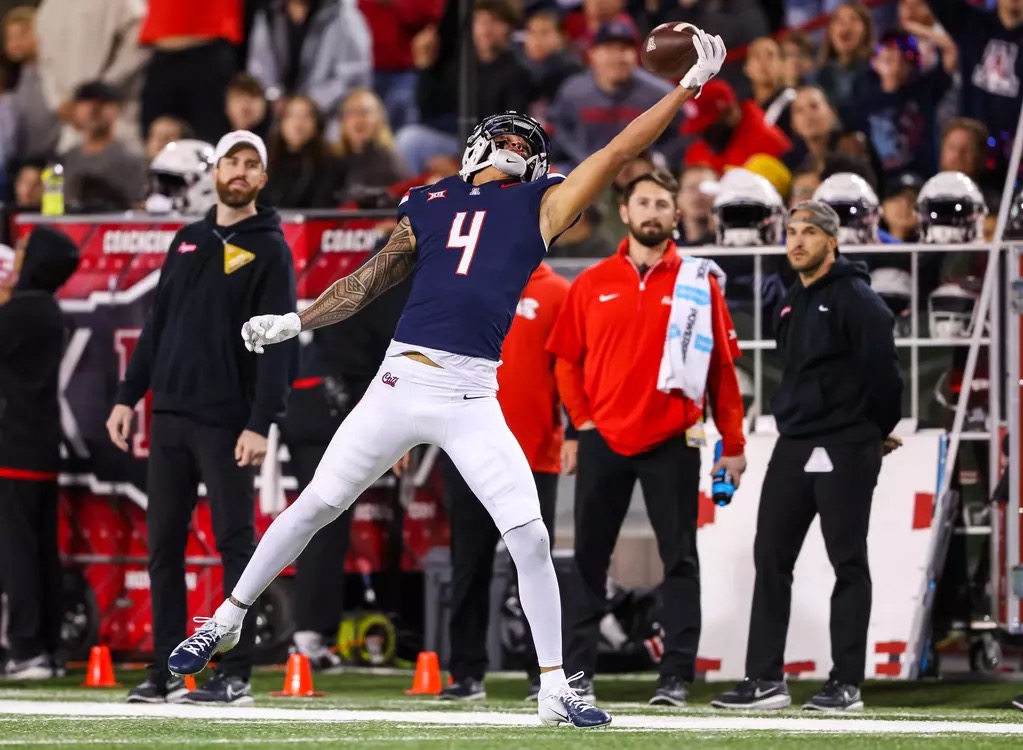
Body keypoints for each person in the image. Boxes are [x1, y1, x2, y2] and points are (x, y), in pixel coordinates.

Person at [165, 26, 729, 728]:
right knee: (314, 506)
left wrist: (684, 88)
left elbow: (619, 150)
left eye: (530, 145)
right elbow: (371, 281)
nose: (522, 150)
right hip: (397, 385)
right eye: (513, 141)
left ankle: (554, 686)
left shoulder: (541, 205)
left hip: (469, 394)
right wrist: (297, 321)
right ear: (481, 146)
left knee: (527, 534)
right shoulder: (428, 201)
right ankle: (225, 620)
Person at [105, 130, 299, 705]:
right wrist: (126, 395)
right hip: (169, 414)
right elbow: (157, 325)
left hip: (226, 418)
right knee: (162, 543)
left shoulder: (271, 247)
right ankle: (166, 668)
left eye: (251, 165)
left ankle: (235, 670)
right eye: (231, 162)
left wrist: (261, 421)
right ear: (214, 171)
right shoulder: (187, 240)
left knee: (235, 541)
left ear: (262, 179)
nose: (239, 172)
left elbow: (282, 344)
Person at [546, 170, 747, 707]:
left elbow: (723, 372)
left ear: (675, 217)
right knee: (588, 558)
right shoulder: (591, 283)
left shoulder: (698, 283)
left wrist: (735, 444)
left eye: (663, 202)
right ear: (626, 214)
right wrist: (581, 422)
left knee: (680, 558)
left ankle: (676, 676)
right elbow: (566, 361)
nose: (653, 211)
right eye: (643, 203)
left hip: (673, 438)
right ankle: (576, 675)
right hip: (603, 438)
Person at [711, 201, 903, 713]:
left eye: (810, 232)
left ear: (832, 241)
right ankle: (766, 680)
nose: (797, 241)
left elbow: (886, 374)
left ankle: (846, 684)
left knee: (847, 561)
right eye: (792, 232)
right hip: (794, 443)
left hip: (844, 445)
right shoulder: (793, 299)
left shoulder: (857, 299)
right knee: (770, 557)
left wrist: (872, 430)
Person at [433, 261, 570, 702]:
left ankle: (543, 676)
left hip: (534, 456)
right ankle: (466, 673)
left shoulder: (557, 293)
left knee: (531, 564)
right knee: (467, 567)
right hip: (467, 449)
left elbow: (568, 368)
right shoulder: (470, 281)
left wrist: (576, 431)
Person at [0, 230, 80, 679]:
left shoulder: (22, 311)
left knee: (18, 552)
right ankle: (48, 648)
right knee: (40, 552)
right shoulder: (44, 308)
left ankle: (27, 649)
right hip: (40, 445)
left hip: (14, 445)